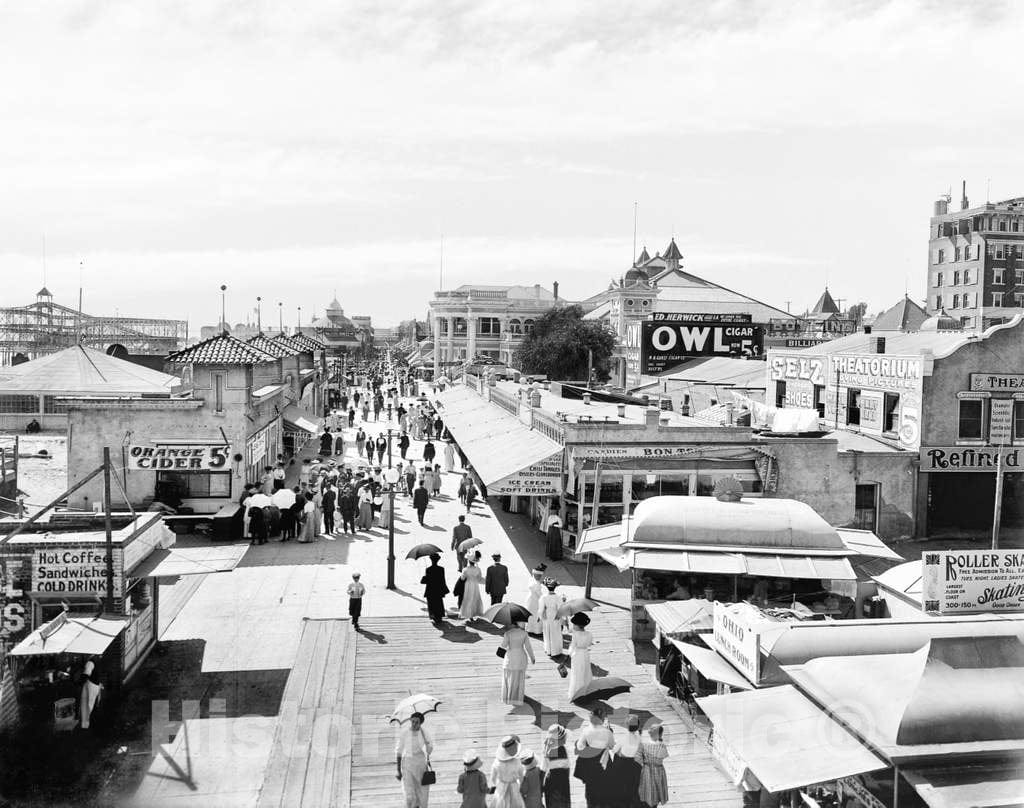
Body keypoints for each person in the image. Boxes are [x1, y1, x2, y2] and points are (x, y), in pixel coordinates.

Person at [575, 707, 615, 808]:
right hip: (604, 763)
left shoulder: (586, 730)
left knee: (591, 790)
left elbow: (580, 746)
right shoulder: (607, 732)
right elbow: (611, 746)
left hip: (590, 764)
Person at [395, 711, 434, 808]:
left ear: (421, 723)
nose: (414, 724)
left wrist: (427, 742)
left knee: (422, 792)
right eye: (412, 721)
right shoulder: (405, 733)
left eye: (417, 722)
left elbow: (429, 749)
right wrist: (398, 770)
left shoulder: (424, 732)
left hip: (420, 763)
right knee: (409, 794)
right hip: (407, 764)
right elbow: (399, 751)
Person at [609, 714, 643, 808]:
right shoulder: (640, 738)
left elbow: (614, 750)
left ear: (626, 726)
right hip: (635, 765)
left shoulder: (623, 738)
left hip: (624, 766)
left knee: (617, 755)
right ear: (638, 726)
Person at [498, 621, 535, 705]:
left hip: (510, 657)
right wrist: (532, 657)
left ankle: (507, 696)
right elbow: (528, 647)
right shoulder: (524, 633)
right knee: (519, 677)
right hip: (521, 656)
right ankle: (517, 697)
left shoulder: (508, 633)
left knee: (508, 677)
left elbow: (503, 646)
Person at [637, 725, 670, 808]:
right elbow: (663, 756)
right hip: (658, 770)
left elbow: (638, 758)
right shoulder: (662, 746)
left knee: (647, 789)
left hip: (647, 769)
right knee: (657, 790)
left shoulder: (644, 744)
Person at [489, 736, 525, 808]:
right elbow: (522, 778)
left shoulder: (497, 762)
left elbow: (493, 778)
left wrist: (495, 785)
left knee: (499, 803)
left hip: (501, 786)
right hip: (514, 786)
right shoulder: (517, 762)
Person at [541, 724, 571, 808]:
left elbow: (543, 769)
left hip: (551, 782)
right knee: (564, 804)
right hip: (563, 781)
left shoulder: (547, 751)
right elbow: (568, 768)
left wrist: (540, 786)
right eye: (564, 738)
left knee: (552, 803)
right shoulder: (564, 750)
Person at [567, 613, 594, 700]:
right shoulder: (589, 634)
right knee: (585, 671)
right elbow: (589, 643)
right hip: (585, 653)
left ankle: (577, 692)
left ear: (577, 625)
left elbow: (572, 646)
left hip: (577, 654)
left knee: (576, 673)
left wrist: (569, 653)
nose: (573, 626)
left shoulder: (575, 635)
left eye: (574, 624)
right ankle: (586, 691)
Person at [421, 553, 449, 623]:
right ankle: (439, 616)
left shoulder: (428, 569)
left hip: (430, 590)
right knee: (439, 603)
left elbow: (425, 581)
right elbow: (443, 580)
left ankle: (433, 616)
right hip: (438, 589)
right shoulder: (441, 569)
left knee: (432, 603)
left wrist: (425, 577)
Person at [540, 579, 563, 657]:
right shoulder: (558, 597)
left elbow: (541, 609)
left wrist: (540, 616)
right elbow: (560, 608)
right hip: (555, 615)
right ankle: (556, 650)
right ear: (555, 588)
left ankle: (548, 649)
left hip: (547, 615)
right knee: (556, 632)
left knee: (547, 632)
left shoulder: (544, 597)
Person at [459, 555, 485, 620]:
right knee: (475, 598)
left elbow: (462, 578)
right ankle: (474, 613)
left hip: (468, 584)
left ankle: (469, 614)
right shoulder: (478, 569)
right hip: (475, 585)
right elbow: (479, 579)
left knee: (468, 598)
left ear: (469, 561)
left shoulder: (465, 569)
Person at [79, 660, 102, 729]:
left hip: (91, 685)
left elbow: (86, 674)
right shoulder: (96, 662)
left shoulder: (90, 662)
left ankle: (86, 725)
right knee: (91, 705)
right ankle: (88, 725)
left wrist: (79, 681)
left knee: (87, 706)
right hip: (95, 686)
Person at [525, 565, 546, 635]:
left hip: (530, 599)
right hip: (536, 601)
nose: (540, 577)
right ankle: (537, 631)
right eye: (539, 575)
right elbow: (539, 594)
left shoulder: (532, 580)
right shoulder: (536, 583)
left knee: (531, 616)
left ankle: (530, 629)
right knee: (537, 616)